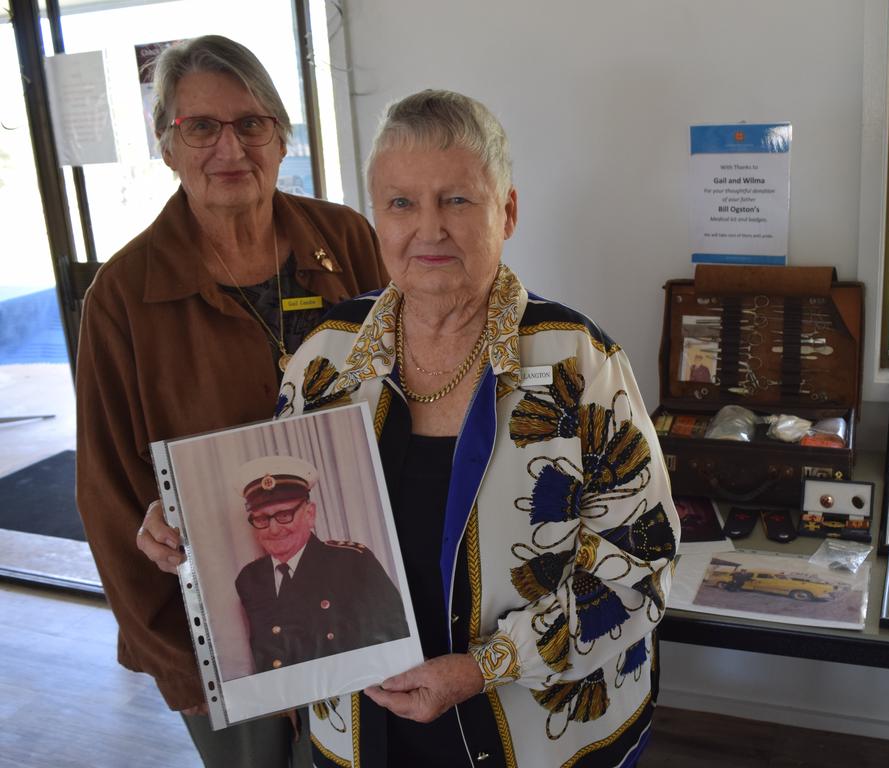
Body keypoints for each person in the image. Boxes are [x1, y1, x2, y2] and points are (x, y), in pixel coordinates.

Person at [276, 90, 680, 766]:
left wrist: (483, 665)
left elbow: (640, 566)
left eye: (457, 200)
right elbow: (277, 514)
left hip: (535, 729)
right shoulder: (326, 355)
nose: (428, 229)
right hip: (362, 723)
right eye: (401, 203)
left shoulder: (579, 362)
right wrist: (191, 528)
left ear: (508, 211)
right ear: (377, 217)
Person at [76, 34, 387, 768]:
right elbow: (108, 492)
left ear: (281, 138)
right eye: (200, 127)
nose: (230, 147)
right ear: (168, 146)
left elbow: (404, 390)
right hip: (220, 620)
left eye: (251, 123)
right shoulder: (122, 297)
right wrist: (171, 658)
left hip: (365, 591)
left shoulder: (348, 240)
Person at [232, 455, 409, 673]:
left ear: (310, 513)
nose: (274, 529)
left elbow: (397, 636)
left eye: (285, 515)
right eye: (261, 519)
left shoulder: (352, 562)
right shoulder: (250, 579)